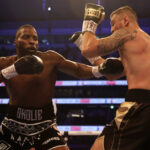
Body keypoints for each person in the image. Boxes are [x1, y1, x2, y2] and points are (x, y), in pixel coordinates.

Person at [0, 24, 124, 150]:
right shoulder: (5, 63)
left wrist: (99, 69)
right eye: (26, 37)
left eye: (35, 38)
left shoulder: (50, 59)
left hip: (45, 127)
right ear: (16, 42)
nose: (32, 41)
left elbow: (77, 69)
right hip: (12, 127)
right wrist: (13, 70)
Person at [81, 4, 150, 150]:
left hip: (140, 104)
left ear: (125, 21)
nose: (112, 30)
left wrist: (90, 21)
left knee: (99, 146)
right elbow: (112, 73)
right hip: (144, 105)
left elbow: (87, 49)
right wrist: (81, 43)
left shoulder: (128, 33)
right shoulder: (143, 43)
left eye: (113, 24)